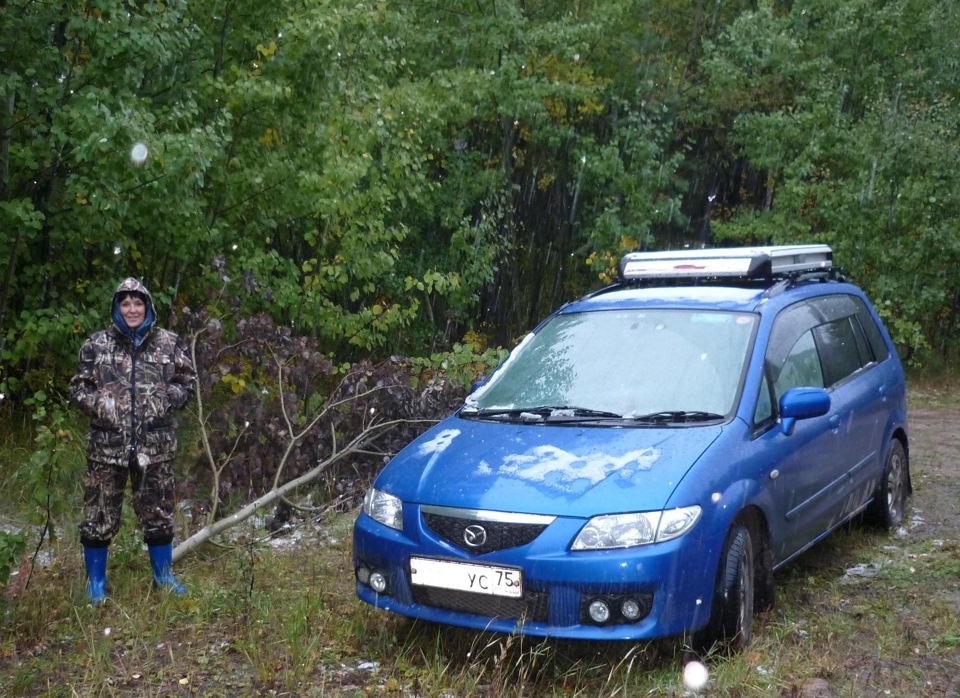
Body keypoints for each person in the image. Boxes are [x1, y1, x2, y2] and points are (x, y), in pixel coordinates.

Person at [69, 278, 197, 603]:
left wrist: (168, 398)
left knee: (158, 512)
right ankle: (95, 583)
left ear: (148, 307)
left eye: (137, 303)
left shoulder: (168, 344)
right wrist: (99, 404)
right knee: (98, 514)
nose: (132, 309)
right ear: (117, 307)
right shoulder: (96, 345)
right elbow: (78, 387)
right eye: (125, 303)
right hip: (106, 448)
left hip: (155, 448)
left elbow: (187, 382)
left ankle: (163, 577)